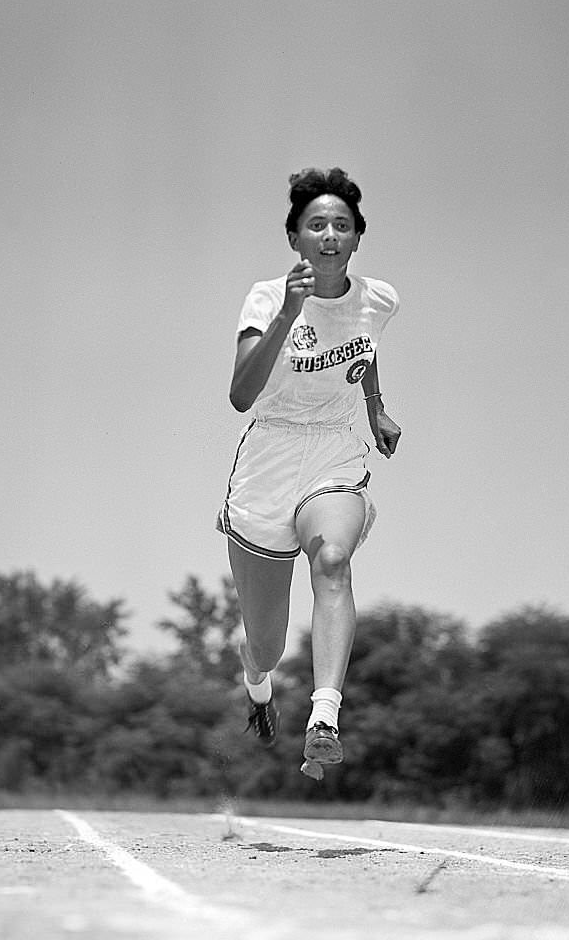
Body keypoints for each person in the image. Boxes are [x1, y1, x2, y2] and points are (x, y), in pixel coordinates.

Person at [217, 167, 401, 779]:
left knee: (332, 560)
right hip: (268, 457)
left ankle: (325, 714)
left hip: (333, 452)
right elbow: (242, 395)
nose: (329, 235)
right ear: (295, 237)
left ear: (356, 239)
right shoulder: (268, 297)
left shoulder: (378, 298)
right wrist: (289, 314)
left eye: (341, 226)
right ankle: (258, 684)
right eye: (316, 225)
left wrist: (375, 407)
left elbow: (363, 346)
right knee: (265, 641)